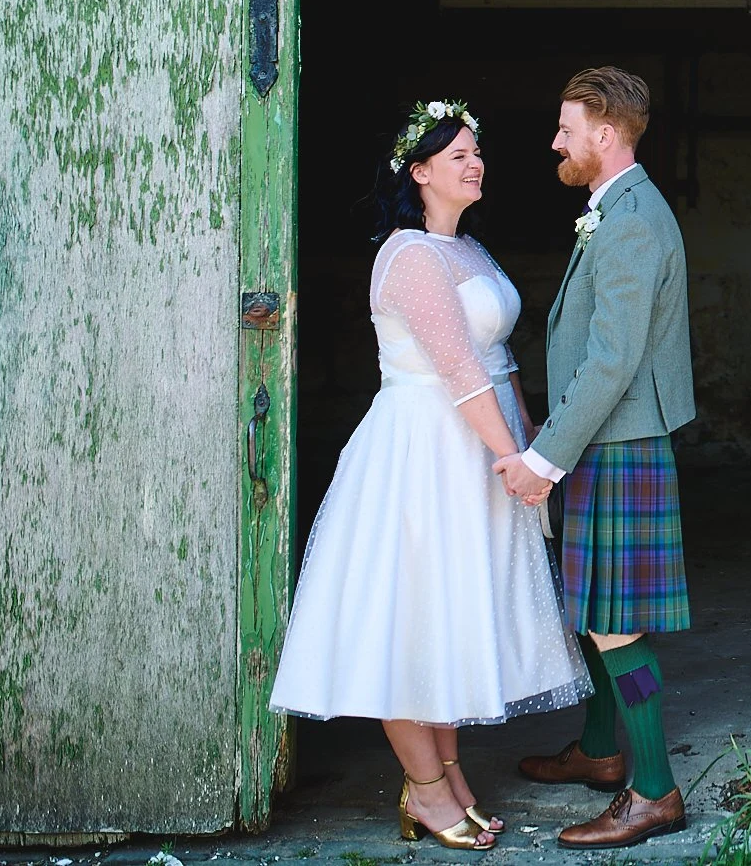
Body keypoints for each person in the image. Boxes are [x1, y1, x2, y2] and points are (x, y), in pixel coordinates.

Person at [271, 100, 590, 851]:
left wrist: (531, 430)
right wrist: (510, 458)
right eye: (457, 156)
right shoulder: (410, 255)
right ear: (418, 173)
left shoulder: (471, 251)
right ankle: (421, 785)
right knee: (410, 617)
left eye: (477, 153)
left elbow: (497, 360)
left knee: (447, 613)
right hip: (421, 453)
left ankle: (447, 775)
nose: (475, 164)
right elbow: (454, 369)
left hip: (475, 447)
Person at [494, 67, 697, 849]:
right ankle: (604, 750)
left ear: (605, 136)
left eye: (566, 129)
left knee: (618, 626)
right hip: (608, 438)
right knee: (598, 611)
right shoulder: (616, 210)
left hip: (620, 439)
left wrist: (543, 458)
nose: (556, 142)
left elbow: (613, 361)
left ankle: (653, 789)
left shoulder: (633, 219)